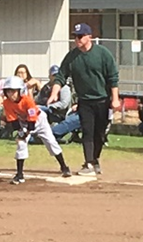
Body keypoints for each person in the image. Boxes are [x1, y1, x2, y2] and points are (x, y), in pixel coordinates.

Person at [47, 23, 120, 176]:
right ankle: (88, 163)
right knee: (87, 132)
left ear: (89, 37)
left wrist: (115, 99)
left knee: (99, 134)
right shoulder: (72, 57)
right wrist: (54, 94)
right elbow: (61, 77)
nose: (77, 39)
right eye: (75, 36)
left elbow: (113, 78)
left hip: (102, 100)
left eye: (80, 36)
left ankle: (95, 160)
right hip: (85, 101)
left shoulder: (103, 53)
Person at [1, 75, 71, 184]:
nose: (11, 95)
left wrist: (27, 131)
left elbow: (32, 117)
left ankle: (64, 167)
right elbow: (12, 119)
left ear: (20, 91)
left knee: (50, 142)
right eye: (8, 92)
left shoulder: (27, 100)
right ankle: (19, 175)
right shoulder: (7, 103)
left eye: (13, 91)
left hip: (39, 120)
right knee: (21, 144)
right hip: (23, 122)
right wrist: (20, 132)